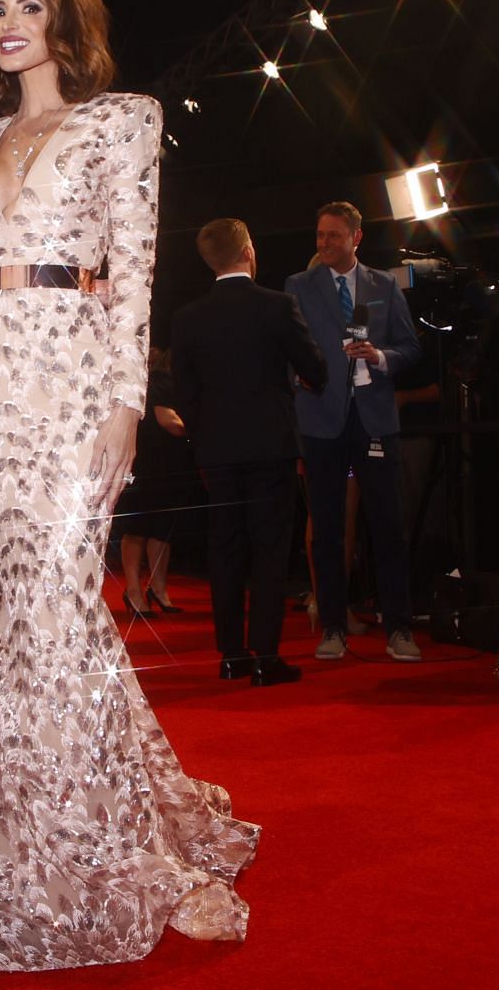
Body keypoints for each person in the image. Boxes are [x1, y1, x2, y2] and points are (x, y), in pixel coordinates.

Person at [0, 0, 257, 970]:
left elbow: (135, 264)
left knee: (56, 596)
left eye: (29, 7)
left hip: (74, 377)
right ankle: (23, 837)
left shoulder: (122, 120)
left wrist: (128, 401)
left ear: (66, 19)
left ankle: (80, 843)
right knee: (20, 608)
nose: (8, 26)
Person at [170, 218, 327, 686]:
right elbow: (315, 370)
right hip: (270, 447)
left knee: (225, 550)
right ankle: (266, 654)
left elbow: (186, 394)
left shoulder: (187, 318)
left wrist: (204, 442)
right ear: (248, 250)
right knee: (270, 549)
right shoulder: (277, 306)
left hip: (217, 452)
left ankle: (232, 654)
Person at [285, 203, 424, 662]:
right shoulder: (299, 286)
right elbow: (289, 352)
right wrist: (299, 379)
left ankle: (399, 628)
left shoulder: (385, 285)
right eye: (320, 235)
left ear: (356, 238)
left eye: (334, 237)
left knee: (388, 526)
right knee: (326, 529)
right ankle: (332, 625)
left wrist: (379, 357)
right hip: (322, 421)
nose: (324, 244)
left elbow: (410, 348)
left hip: (375, 418)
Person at [114, 349, 194, 619]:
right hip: (147, 464)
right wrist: (202, 430)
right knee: (139, 528)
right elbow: (167, 420)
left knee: (160, 529)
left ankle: (157, 589)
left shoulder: (167, 381)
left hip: (164, 465)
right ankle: (135, 591)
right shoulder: (159, 381)